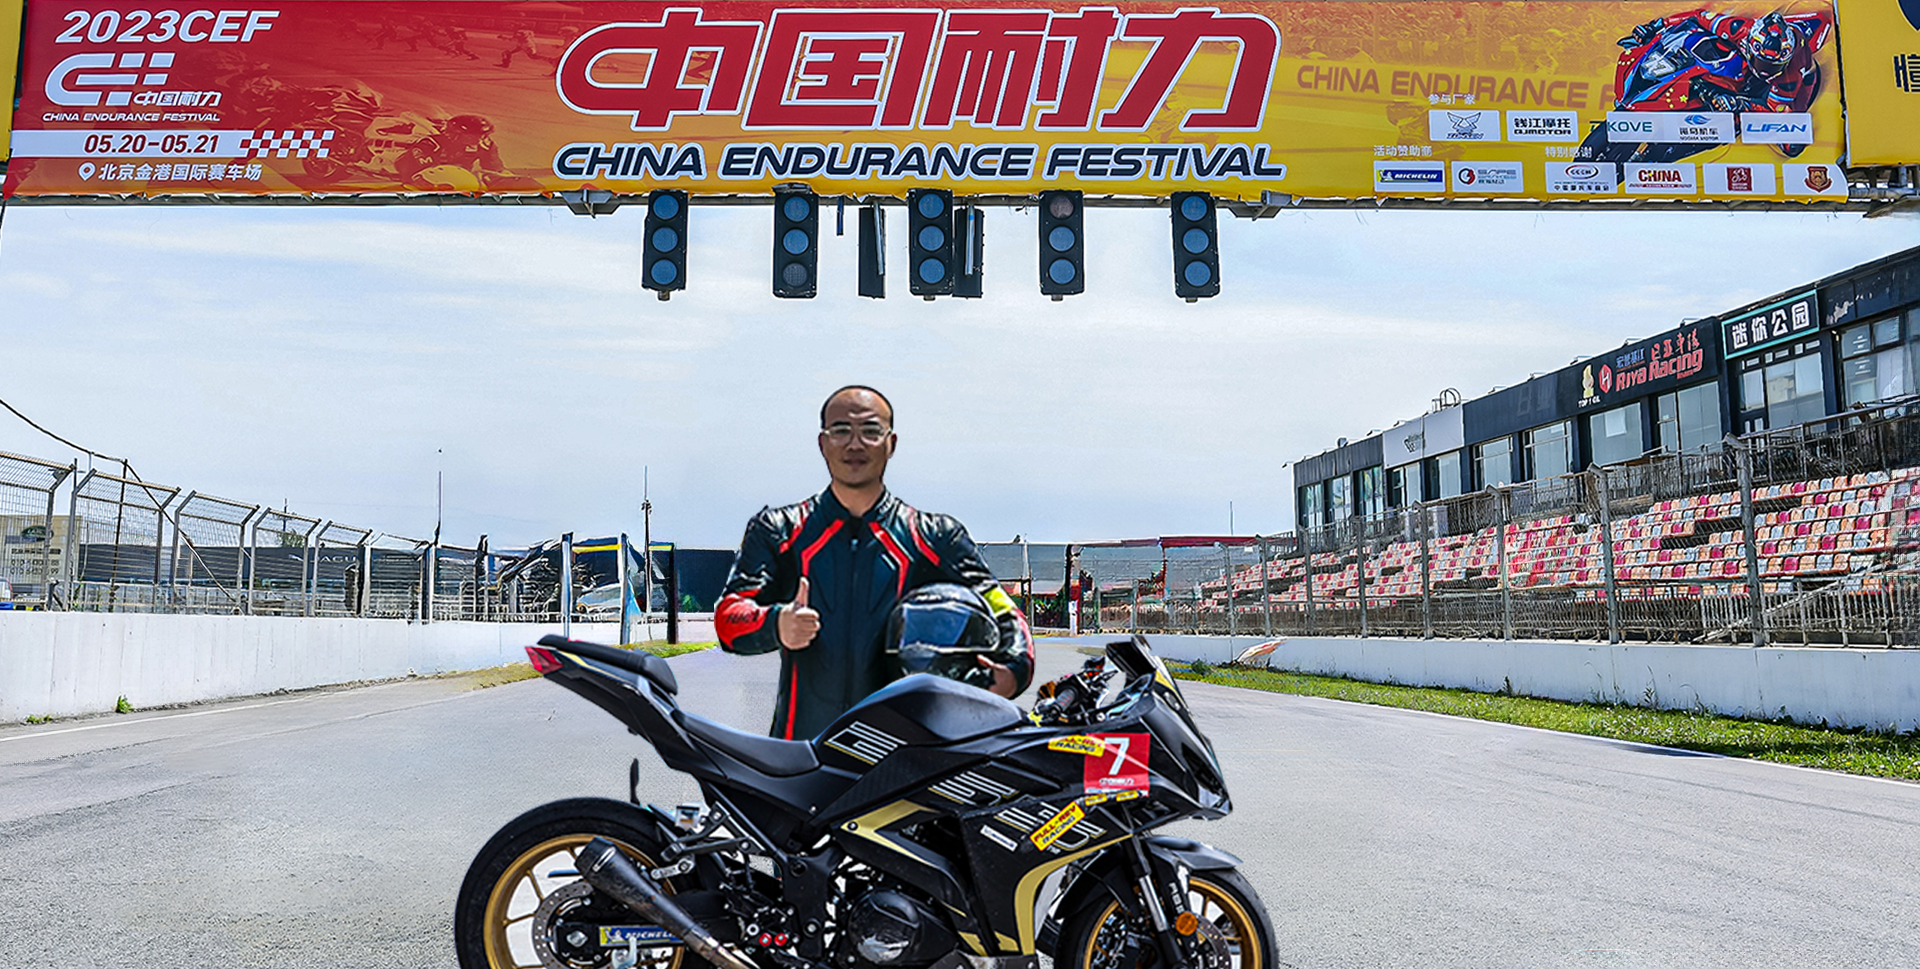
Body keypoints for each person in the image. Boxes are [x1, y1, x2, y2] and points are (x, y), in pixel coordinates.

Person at [715, 386, 1035, 739]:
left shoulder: (936, 537)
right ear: (822, 443)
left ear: (891, 443)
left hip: (905, 757)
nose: (855, 444)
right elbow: (729, 617)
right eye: (841, 431)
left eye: (870, 431)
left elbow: (1002, 607)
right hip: (800, 758)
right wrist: (777, 623)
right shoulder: (778, 530)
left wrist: (1013, 670)